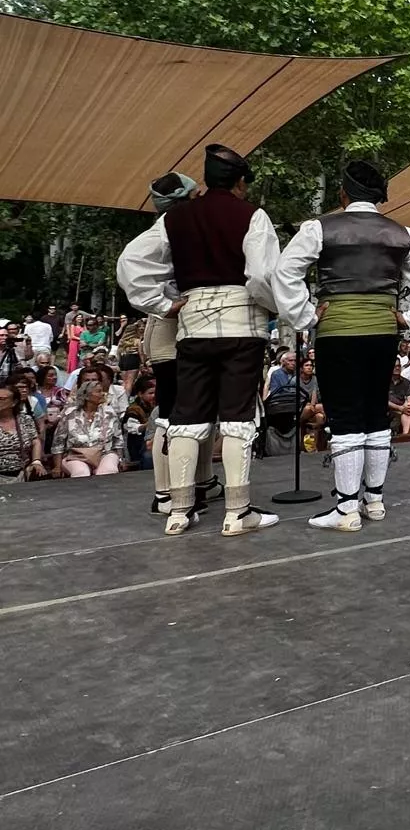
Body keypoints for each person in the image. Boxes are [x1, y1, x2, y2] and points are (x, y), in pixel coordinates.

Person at [273, 159, 410, 532]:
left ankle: (346, 508)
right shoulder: (405, 235)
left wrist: (306, 315)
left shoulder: (319, 229)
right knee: (373, 413)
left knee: (345, 415)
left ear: (343, 192)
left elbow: (284, 273)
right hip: (384, 333)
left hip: (337, 332)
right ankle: (375, 500)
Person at [117, 144, 281, 536]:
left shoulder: (175, 219)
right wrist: (273, 306)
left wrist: (161, 303)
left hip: (192, 325)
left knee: (186, 415)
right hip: (242, 325)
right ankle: (237, 512)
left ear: (206, 180)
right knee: (239, 416)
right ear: (241, 182)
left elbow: (130, 263)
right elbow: (260, 276)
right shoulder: (252, 215)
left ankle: (179, 510)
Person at [118, 172, 222, 519]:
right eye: (196, 194)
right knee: (175, 412)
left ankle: (202, 480)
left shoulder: (186, 228)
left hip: (186, 328)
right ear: (187, 197)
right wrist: (164, 305)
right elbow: (130, 266)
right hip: (170, 329)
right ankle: (167, 494)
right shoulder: (168, 229)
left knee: (200, 409)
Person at [51, 378, 124, 476]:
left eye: (103, 391)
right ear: (87, 396)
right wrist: (57, 466)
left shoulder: (109, 412)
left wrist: (120, 459)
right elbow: (58, 442)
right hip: (76, 455)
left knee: (107, 472)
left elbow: (118, 440)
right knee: (82, 473)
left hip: (104, 453)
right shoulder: (70, 414)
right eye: (98, 391)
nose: (103, 394)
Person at [0, 379, 46, 481]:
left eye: (2, 399)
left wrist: (36, 461)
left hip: (21, 473)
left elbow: (35, 441)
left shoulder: (25, 419)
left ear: (14, 402)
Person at [123, 374, 158, 469]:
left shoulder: (158, 405)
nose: (154, 396)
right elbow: (132, 428)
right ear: (140, 394)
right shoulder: (134, 409)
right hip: (140, 444)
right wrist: (150, 424)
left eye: (156, 393)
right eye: (150, 393)